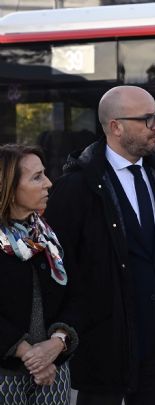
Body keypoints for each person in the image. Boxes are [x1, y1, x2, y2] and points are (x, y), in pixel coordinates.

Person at [44, 85, 155, 404]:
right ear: (116, 126)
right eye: (148, 119)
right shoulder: (76, 187)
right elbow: (57, 267)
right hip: (104, 345)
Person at [0, 144, 79, 404]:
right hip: (6, 375)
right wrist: (30, 355)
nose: (48, 183)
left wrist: (56, 343)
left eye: (44, 173)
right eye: (36, 177)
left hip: (53, 374)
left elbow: (77, 296)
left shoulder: (48, 237)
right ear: (8, 187)